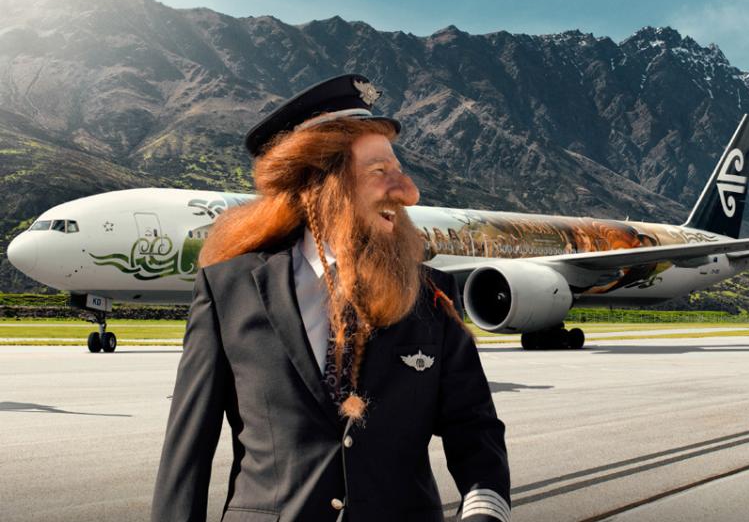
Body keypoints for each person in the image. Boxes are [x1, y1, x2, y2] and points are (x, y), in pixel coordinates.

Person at [152, 74, 511, 521]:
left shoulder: (430, 294)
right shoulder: (228, 290)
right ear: (319, 182)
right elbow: (189, 448)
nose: (407, 192)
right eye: (380, 172)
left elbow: (474, 429)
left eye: (398, 171)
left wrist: (484, 514)